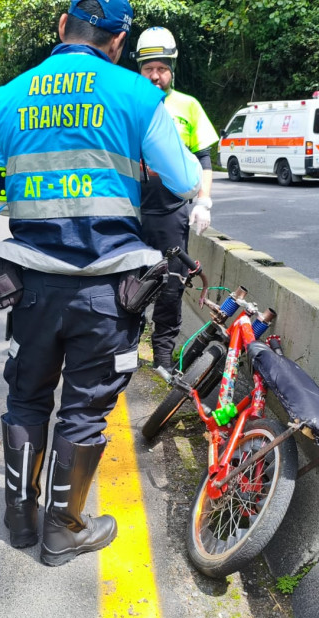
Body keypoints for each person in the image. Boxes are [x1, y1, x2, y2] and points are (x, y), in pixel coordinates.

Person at [0, 0, 201, 566]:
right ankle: (63, 529)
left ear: (62, 27)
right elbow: (183, 180)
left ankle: (20, 519)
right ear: (118, 43)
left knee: (25, 397)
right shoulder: (139, 95)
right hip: (106, 290)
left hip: (31, 286)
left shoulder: (3, 99)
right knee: (83, 410)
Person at [132, 27, 219, 373]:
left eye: (162, 68)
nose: (155, 75)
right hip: (131, 213)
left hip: (171, 215)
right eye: (148, 68)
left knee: (171, 287)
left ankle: (163, 360)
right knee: (129, 285)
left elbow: (204, 160)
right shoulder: (127, 104)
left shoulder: (188, 106)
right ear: (139, 69)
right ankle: (126, 350)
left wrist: (203, 201)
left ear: (172, 69)